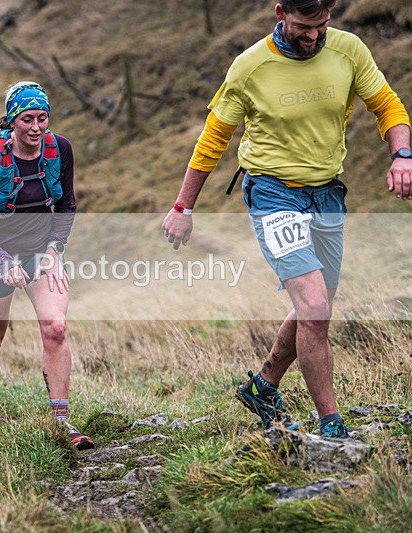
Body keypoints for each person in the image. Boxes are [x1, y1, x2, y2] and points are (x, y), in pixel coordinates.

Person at [162, 0, 411, 439]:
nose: (314, 37)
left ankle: (262, 386)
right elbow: (213, 140)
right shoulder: (250, 67)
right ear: (280, 13)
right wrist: (183, 208)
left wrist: (402, 154)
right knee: (313, 306)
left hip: (327, 192)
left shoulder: (349, 50)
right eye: (303, 27)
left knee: (318, 305)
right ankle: (332, 423)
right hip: (273, 193)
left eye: (322, 25)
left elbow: (387, 105)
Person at [0, 81, 93, 450]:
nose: (36, 127)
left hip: (40, 253)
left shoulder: (59, 149)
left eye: (42, 118)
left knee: (56, 328)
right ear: (12, 121)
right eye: (27, 119)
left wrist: (54, 248)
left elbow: (66, 205)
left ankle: (61, 422)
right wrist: (3, 262)